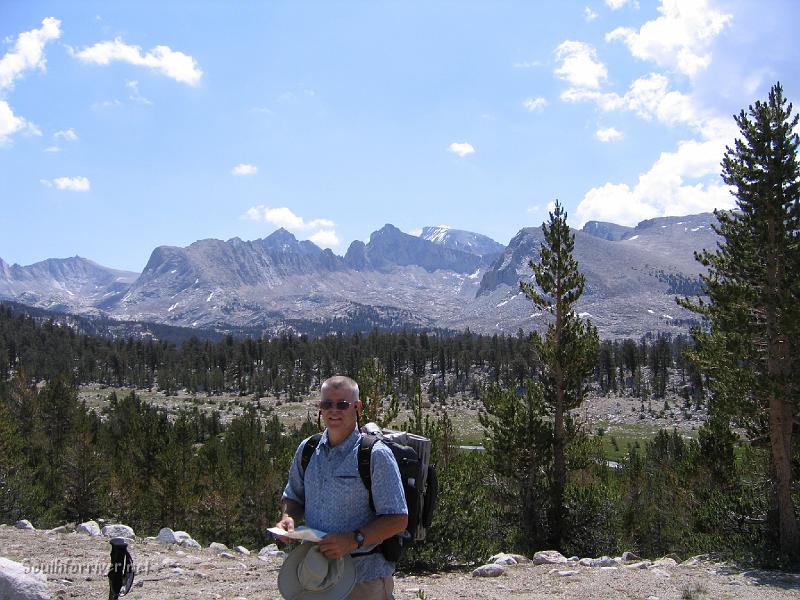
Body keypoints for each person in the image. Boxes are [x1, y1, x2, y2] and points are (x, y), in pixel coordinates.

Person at [276, 375, 408, 600]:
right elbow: (294, 497)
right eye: (327, 404)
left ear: (357, 407)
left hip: (364, 578)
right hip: (317, 574)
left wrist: (352, 539)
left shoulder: (375, 455)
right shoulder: (308, 449)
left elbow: (398, 519)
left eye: (342, 404)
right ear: (320, 407)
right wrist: (288, 518)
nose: (333, 410)